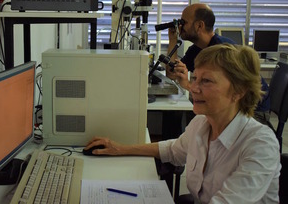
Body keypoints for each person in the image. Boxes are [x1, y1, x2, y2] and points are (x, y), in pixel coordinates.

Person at [84, 44, 281, 203]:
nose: (193, 87)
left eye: (207, 81)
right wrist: (120, 148)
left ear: (239, 92)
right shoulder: (201, 124)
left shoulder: (260, 144)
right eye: (195, 78)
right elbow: (173, 150)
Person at [166, 3, 270, 123]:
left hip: (251, 110)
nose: (179, 26)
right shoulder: (196, 49)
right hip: (230, 105)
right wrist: (173, 40)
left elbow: (228, 94)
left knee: (195, 119)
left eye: (183, 22)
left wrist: (188, 85)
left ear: (199, 25)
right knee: (186, 118)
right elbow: (172, 74)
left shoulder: (223, 50)